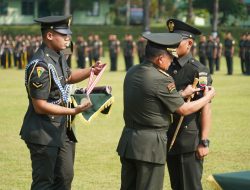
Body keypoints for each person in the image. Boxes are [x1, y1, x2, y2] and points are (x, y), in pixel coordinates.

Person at [116, 32, 215, 190]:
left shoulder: (132, 71)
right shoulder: (161, 78)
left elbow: (152, 97)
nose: (171, 63)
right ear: (160, 59)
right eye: (170, 58)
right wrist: (207, 96)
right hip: (150, 147)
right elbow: (183, 109)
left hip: (129, 142)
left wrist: (182, 94)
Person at [20, 15, 105, 190]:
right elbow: (40, 106)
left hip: (61, 129)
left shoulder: (58, 56)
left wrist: (91, 71)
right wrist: (73, 112)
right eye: (63, 34)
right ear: (49, 36)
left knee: (65, 177)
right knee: (44, 182)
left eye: (68, 34)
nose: (68, 37)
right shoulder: (40, 66)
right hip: (43, 132)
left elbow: (67, 77)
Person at [166, 18, 213, 190]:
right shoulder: (165, 66)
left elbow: (206, 107)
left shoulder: (198, 71)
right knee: (176, 186)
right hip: (167, 136)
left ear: (189, 43)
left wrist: (204, 141)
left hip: (188, 141)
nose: (170, 45)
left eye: (175, 41)